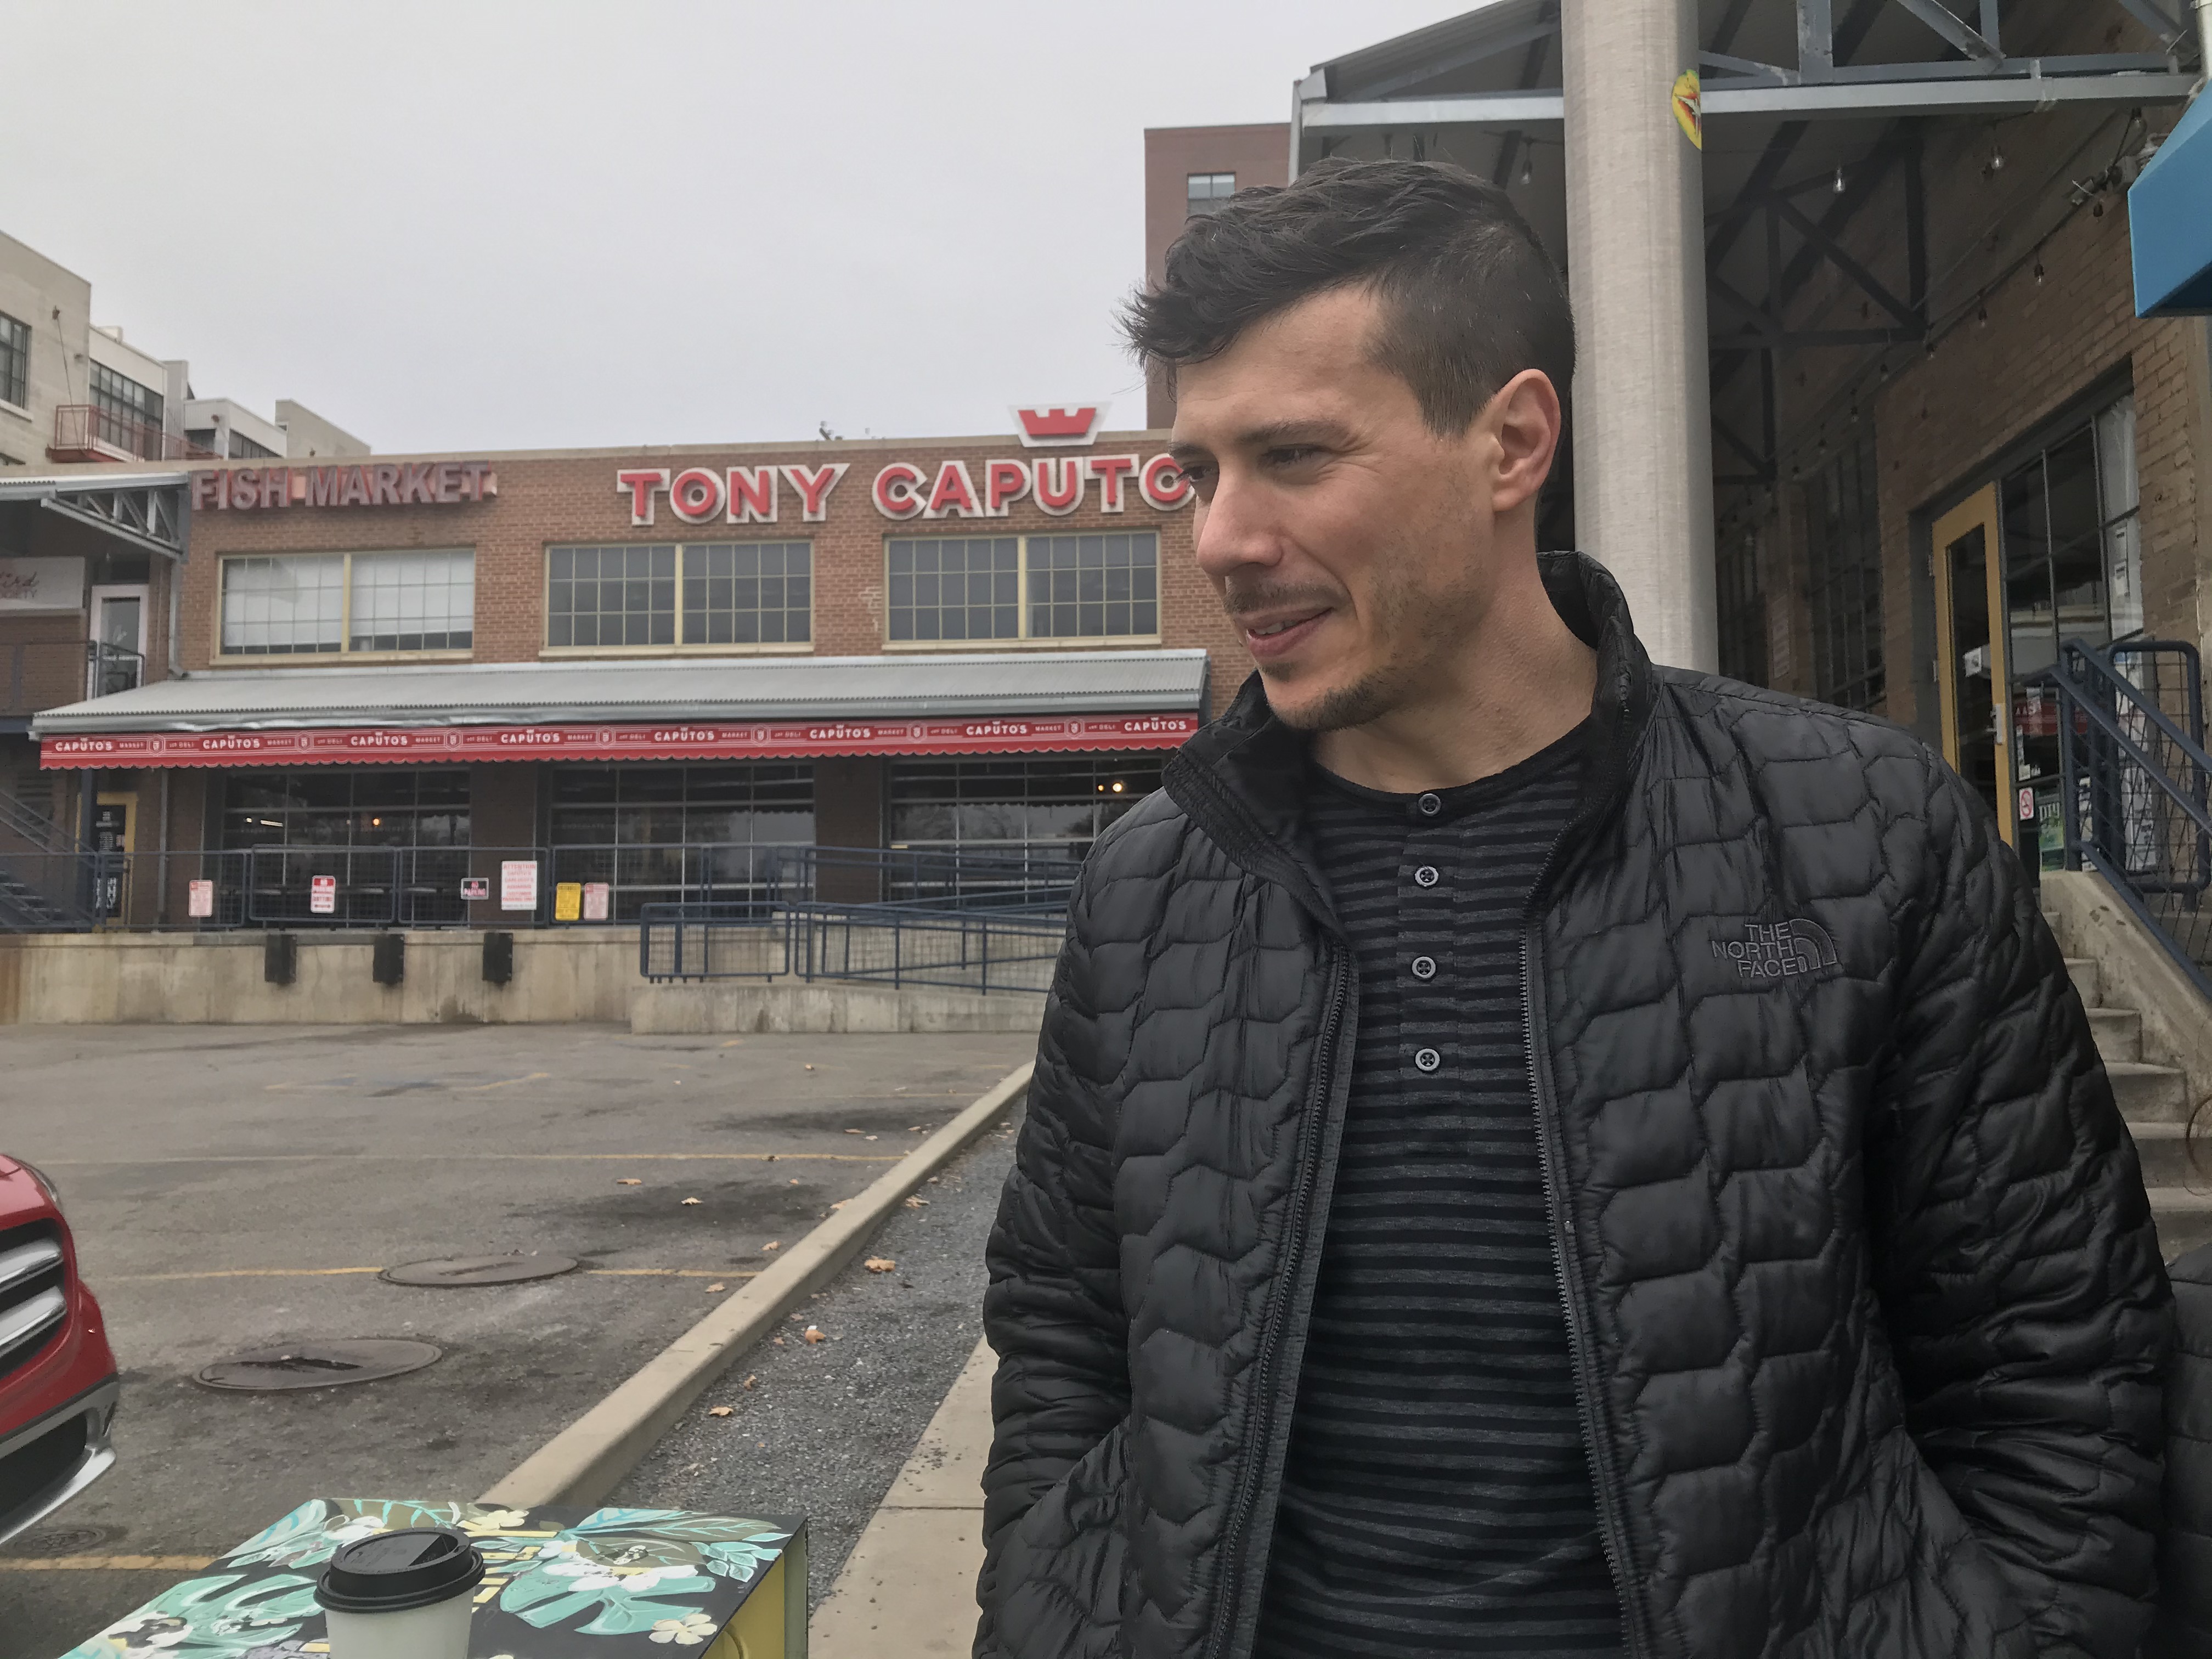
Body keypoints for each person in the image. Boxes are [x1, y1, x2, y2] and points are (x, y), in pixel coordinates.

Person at [973, 157, 2169, 1659]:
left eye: (1292, 456)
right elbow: (1065, 1339)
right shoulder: (1149, 887)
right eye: (1199, 473)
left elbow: (2061, 1362)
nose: (1221, 538)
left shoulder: (1866, 831)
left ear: (1513, 442)